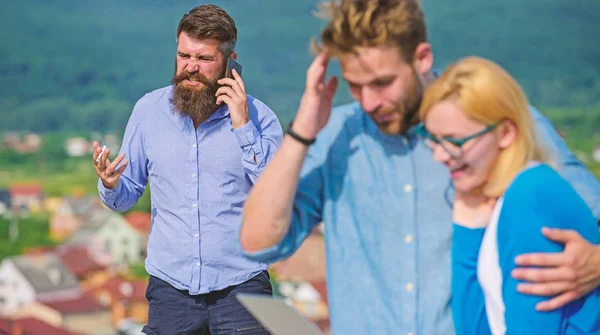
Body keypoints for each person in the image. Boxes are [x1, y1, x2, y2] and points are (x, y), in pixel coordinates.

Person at [238, 0, 600, 334]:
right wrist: (302, 131)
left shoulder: (492, 123)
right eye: (355, 86)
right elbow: (257, 244)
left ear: (422, 57)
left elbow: (587, 209)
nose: (369, 102)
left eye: (382, 83)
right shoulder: (331, 135)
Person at [92, 5, 282, 335]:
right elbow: (124, 199)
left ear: (229, 60)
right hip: (170, 291)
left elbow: (278, 196)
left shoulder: (260, 119)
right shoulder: (148, 112)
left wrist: (243, 127)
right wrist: (111, 184)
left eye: (204, 59)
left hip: (243, 286)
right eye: (184, 55)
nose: (190, 68)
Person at [417, 56, 600, 334]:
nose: (440, 156)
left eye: (455, 141)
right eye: (433, 139)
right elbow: (474, 327)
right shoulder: (505, 196)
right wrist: (468, 226)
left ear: (505, 133)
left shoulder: (530, 197)